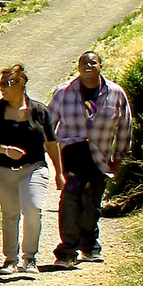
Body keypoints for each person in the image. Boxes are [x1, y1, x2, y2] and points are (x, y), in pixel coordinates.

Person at [48, 51, 133, 268]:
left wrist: (117, 160)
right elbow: (48, 127)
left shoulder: (115, 93)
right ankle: (67, 251)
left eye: (93, 62)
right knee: (71, 199)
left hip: (99, 155)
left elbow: (125, 127)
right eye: (84, 63)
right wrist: (55, 162)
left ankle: (90, 246)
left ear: (100, 65)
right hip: (72, 153)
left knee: (92, 202)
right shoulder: (63, 92)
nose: (88, 66)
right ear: (78, 67)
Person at [0, 63, 62, 274]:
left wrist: (59, 172)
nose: (2, 88)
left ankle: (30, 258)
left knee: (33, 209)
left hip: (33, 168)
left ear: (21, 84)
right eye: (1, 84)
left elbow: (51, 143)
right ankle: (10, 260)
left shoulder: (40, 111)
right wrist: (5, 150)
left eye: (7, 83)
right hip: (2, 170)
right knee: (10, 214)